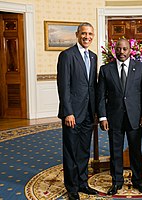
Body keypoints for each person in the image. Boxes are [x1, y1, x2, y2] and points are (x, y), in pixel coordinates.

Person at [97, 38, 142, 195]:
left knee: (135, 150)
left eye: (125, 49)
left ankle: (138, 181)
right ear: (115, 50)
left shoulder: (141, 67)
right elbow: (100, 96)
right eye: (119, 49)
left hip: (135, 117)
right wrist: (102, 117)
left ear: (130, 50)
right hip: (114, 118)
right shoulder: (105, 70)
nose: (121, 52)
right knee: (115, 151)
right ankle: (116, 182)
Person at [57, 22, 98, 200]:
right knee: (71, 152)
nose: (86, 37)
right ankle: (72, 187)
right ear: (77, 34)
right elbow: (63, 86)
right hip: (72, 113)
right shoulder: (67, 56)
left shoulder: (94, 56)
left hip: (89, 113)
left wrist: (96, 111)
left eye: (90, 34)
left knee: (83, 151)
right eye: (83, 33)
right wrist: (68, 112)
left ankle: (82, 182)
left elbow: (92, 86)